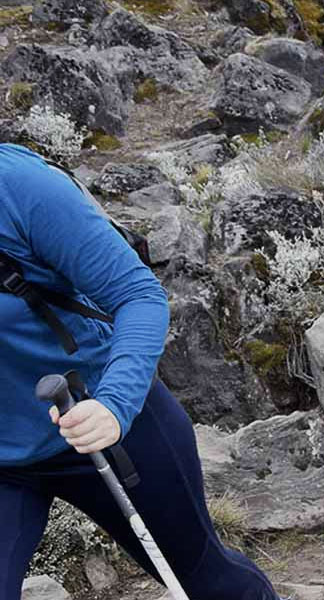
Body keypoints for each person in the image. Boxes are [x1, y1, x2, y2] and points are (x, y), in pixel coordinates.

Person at [0, 144, 280, 599]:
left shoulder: (19, 187)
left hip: (104, 426)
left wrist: (114, 405)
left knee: (206, 580)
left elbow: (138, 296)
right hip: (4, 461)